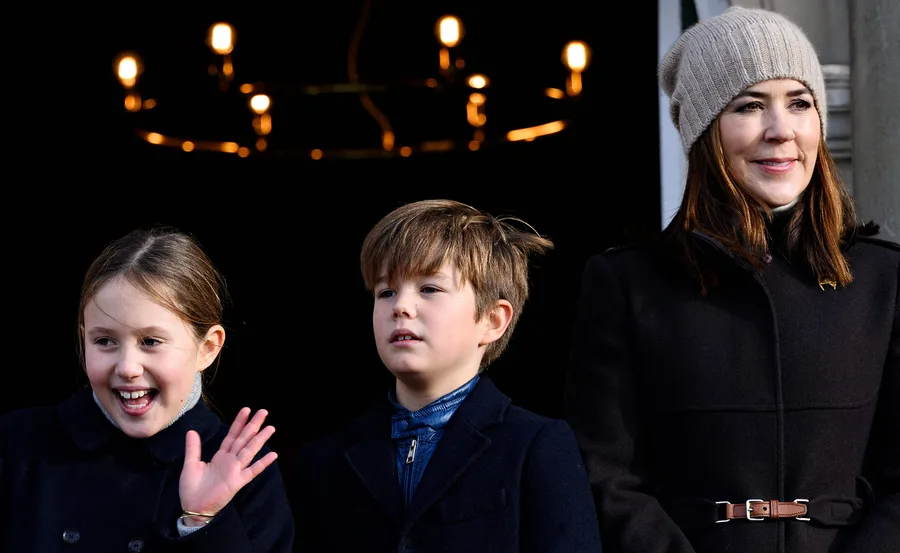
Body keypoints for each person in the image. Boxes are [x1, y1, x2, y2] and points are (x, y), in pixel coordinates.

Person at [566, 6, 899, 553]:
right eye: (749, 106)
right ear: (704, 131)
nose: (781, 130)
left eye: (799, 103)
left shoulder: (884, 279)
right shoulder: (628, 283)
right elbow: (603, 473)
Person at [291, 199, 602, 552]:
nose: (401, 306)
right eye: (386, 291)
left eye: (429, 289)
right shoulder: (323, 462)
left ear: (492, 320)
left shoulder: (536, 445)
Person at [0, 227, 294, 553]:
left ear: (207, 348)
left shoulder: (246, 471)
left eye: (150, 341)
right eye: (105, 341)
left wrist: (202, 522)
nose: (127, 367)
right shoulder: (18, 443)